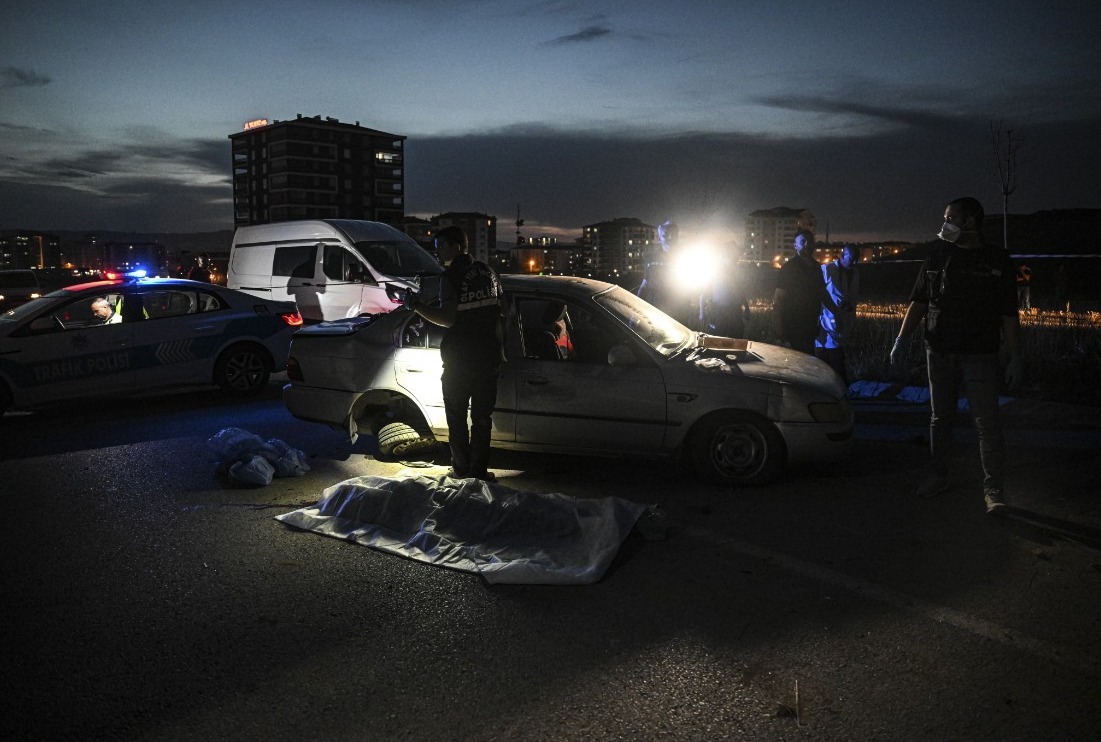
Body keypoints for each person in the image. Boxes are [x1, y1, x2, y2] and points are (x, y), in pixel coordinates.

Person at [889, 197, 1022, 515]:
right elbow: (919, 302)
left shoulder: (997, 260)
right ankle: (939, 475)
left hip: (980, 354)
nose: (944, 224)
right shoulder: (937, 254)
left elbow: (1009, 315)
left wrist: (1016, 356)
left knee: (986, 423)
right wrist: (900, 340)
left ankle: (993, 490)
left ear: (971, 222)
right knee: (940, 419)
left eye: (951, 218)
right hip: (939, 351)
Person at [406, 225, 505, 482]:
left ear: (457, 246)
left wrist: (416, 305)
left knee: (457, 416)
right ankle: (479, 472)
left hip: (460, 360)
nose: (437, 252)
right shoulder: (488, 272)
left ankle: (461, 470)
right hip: (489, 358)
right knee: (482, 418)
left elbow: (448, 319)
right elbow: (501, 311)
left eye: (441, 247)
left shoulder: (449, 277)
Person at [771, 229, 823, 354]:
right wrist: (778, 330)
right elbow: (778, 299)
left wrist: (835, 312)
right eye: (803, 241)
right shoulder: (789, 269)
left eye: (810, 241)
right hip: (793, 327)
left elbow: (822, 293)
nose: (807, 244)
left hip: (810, 326)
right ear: (795, 246)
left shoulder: (816, 267)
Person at [637, 220, 698, 328]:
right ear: (659, 238)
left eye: (673, 235)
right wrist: (636, 307)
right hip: (654, 311)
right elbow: (645, 283)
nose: (670, 238)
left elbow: (693, 285)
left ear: (677, 237)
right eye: (666, 235)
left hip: (678, 312)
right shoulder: (651, 258)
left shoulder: (686, 257)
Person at [815, 244, 861, 383]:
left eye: (856, 260)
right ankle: (837, 386)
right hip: (825, 320)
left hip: (841, 321)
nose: (854, 263)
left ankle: (830, 385)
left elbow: (852, 297)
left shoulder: (855, 273)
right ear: (842, 255)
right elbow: (819, 293)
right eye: (852, 259)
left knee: (832, 356)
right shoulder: (827, 269)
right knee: (831, 356)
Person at [703, 253, 750, 338]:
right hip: (719, 312)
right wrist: (702, 311)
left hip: (734, 313)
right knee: (717, 340)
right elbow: (704, 292)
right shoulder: (714, 273)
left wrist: (746, 307)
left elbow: (740, 291)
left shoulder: (737, 273)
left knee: (735, 341)